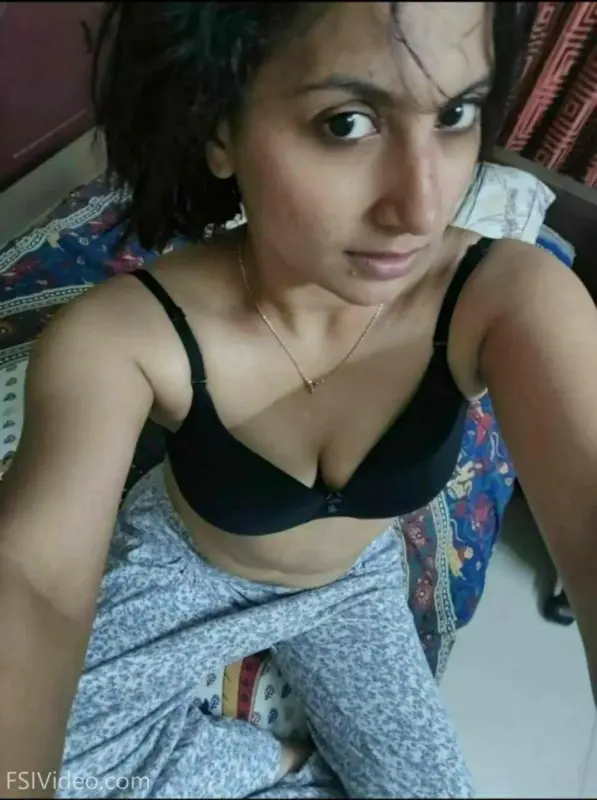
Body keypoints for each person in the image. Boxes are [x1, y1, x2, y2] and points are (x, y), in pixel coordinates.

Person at [1, 1, 596, 797]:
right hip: (188, 571)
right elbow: (36, 586)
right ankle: (274, 762)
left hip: (354, 586)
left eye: (455, 114)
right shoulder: (126, 336)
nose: (420, 209)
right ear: (219, 129)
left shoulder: (504, 298)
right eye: (346, 124)